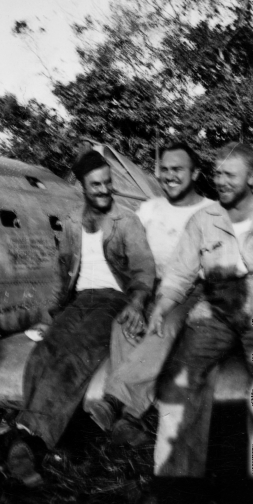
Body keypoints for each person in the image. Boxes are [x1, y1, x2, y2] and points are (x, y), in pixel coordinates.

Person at [0, 150, 156, 487]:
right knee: (44, 353)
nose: (104, 190)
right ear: (83, 188)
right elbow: (62, 275)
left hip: (113, 301)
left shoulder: (126, 221)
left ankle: (28, 441)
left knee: (75, 356)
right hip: (79, 302)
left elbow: (144, 269)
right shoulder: (73, 224)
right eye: (95, 185)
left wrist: (139, 301)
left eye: (107, 183)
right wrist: (49, 317)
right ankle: (21, 439)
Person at [147, 143, 253, 504]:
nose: (219, 181)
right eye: (216, 174)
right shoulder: (205, 219)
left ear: (252, 178)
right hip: (217, 309)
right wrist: (161, 306)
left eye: (229, 175)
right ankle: (176, 483)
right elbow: (181, 272)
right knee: (178, 378)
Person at [85, 142, 214, 446]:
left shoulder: (211, 211)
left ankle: (115, 402)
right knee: (123, 325)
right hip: (151, 286)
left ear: (195, 173)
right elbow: (131, 253)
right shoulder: (149, 209)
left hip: (192, 289)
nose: (169, 176)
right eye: (165, 170)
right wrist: (136, 298)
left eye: (178, 169)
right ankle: (129, 419)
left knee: (165, 326)